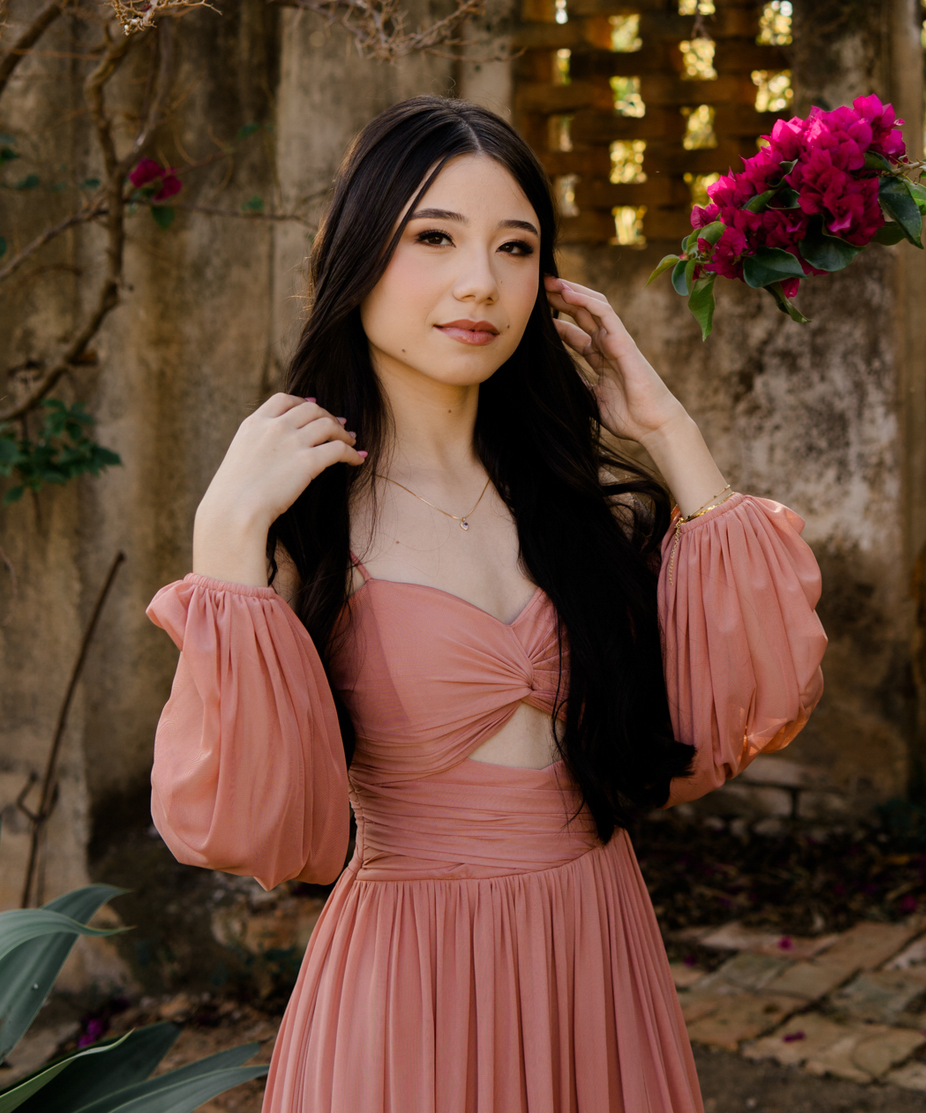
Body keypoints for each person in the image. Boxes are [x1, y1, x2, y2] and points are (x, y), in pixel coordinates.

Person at [148, 96, 826, 1113]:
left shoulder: (568, 503)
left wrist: (668, 430)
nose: (480, 283)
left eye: (516, 248)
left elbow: (744, 707)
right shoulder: (303, 524)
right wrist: (223, 545)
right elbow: (256, 829)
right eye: (434, 237)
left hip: (595, 957)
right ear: (358, 256)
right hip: (403, 991)